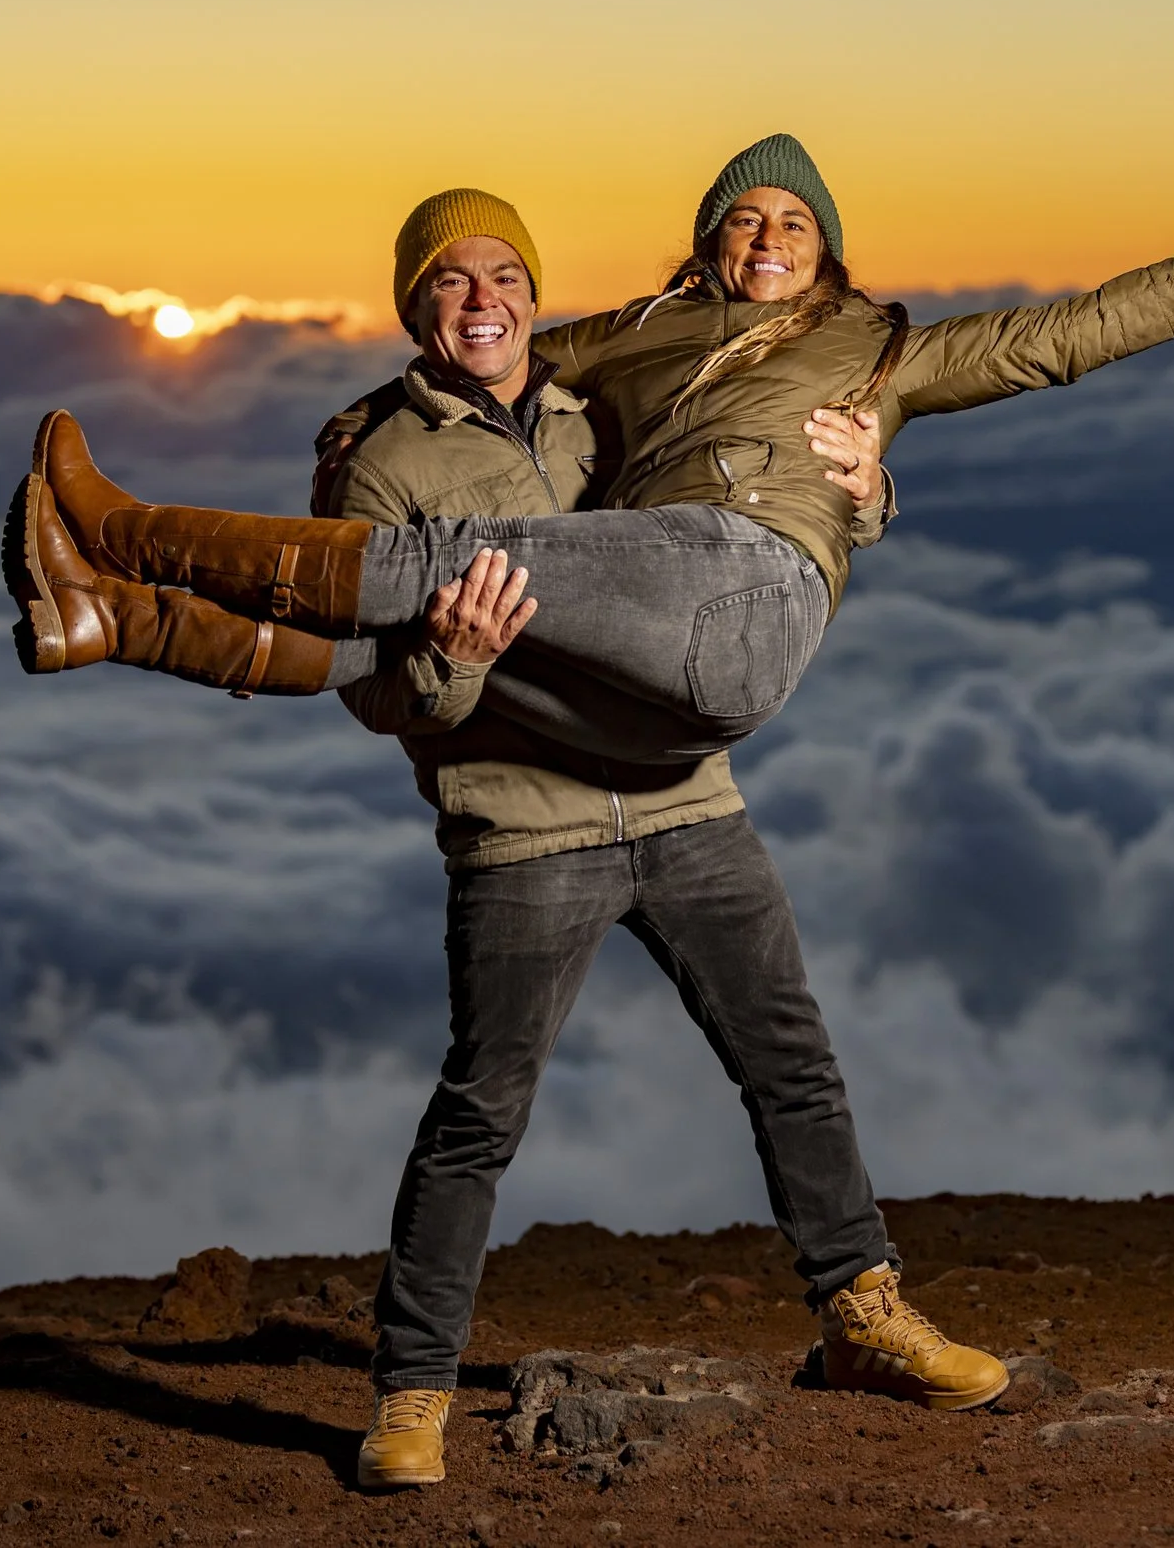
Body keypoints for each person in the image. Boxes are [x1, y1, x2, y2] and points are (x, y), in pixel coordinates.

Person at [316, 192, 989, 1489]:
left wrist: (868, 492)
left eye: (505, 274)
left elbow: (728, 507)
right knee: (480, 1111)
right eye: (450, 282)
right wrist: (449, 670)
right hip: (529, 827)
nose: (483, 301)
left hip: (687, 803)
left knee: (792, 1061)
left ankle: (863, 1313)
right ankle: (409, 1390)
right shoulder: (381, 460)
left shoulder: (597, 416)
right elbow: (378, 690)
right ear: (414, 304)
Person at [3, 134, 1174, 767]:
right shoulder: (639, 338)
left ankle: (126, 533)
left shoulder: (880, 349)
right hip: (658, 656)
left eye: (793, 226)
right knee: (421, 630)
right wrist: (374, 411)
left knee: (435, 561)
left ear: (826, 249)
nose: (767, 240)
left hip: (745, 588)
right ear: (709, 241)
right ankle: (113, 620)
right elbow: (504, 361)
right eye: (744, 222)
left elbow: (1056, 337)